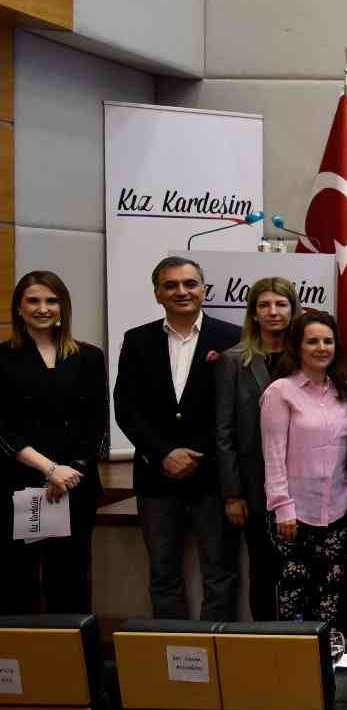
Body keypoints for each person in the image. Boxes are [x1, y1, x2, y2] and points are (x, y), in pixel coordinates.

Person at [113, 257, 242, 620]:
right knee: (163, 575)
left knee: (220, 574)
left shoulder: (232, 337)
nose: (181, 291)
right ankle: (173, 661)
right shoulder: (137, 340)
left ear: (204, 290)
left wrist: (198, 454)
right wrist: (163, 453)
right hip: (157, 476)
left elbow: (235, 410)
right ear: (157, 294)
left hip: (214, 477)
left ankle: (218, 657)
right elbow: (126, 407)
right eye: (171, 285)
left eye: (190, 283)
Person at [0, 272, 107, 615]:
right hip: (18, 484)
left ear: (63, 307)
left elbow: (95, 422)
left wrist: (70, 471)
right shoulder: (2, 357)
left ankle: (74, 667)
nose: (43, 308)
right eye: (33, 300)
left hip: (75, 484)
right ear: (19, 308)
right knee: (17, 582)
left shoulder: (89, 356)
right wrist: (48, 469)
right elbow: (2, 426)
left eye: (51, 300)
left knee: (71, 582)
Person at [260, 310, 347, 631]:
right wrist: (282, 507)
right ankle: (294, 665)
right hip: (293, 516)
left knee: (329, 594)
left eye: (327, 341)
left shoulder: (344, 390)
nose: (321, 347)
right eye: (312, 341)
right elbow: (272, 456)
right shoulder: (280, 392)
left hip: (336, 512)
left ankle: (327, 660)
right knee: (292, 596)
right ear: (297, 346)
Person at [215, 277, 300, 621]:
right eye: (264, 305)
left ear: (293, 310)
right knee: (262, 568)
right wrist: (232, 494)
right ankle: (263, 640)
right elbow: (224, 431)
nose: (273, 312)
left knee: (298, 569)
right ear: (253, 313)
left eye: (280, 304)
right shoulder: (233, 361)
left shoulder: (306, 356)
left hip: (300, 479)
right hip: (252, 485)